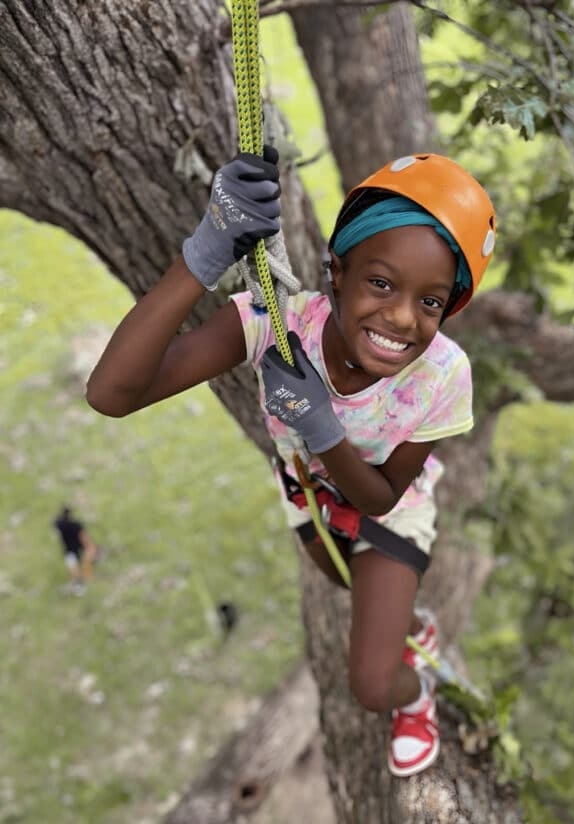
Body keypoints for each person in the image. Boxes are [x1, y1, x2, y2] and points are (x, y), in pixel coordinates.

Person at [86, 148, 495, 776]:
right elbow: (110, 394)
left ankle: (420, 694)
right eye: (381, 283)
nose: (402, 317)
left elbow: (384, 497)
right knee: (344, 581)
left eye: (431, 302)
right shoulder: (275, 328)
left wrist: (320, 426)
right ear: (337, 269)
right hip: (309, 497)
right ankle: (409, 621)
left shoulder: (443, 375)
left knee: (371, 684)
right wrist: (204, 255)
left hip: (389, 515)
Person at [52, 506, 98, 594]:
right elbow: (83, 536)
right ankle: (80, 584)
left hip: (69, 550)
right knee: (79, 566)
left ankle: (79, 584)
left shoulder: (60, 524)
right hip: (77, 548)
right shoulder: (76, 524)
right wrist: (89, 545)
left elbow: (55, 525)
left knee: (74, 567)